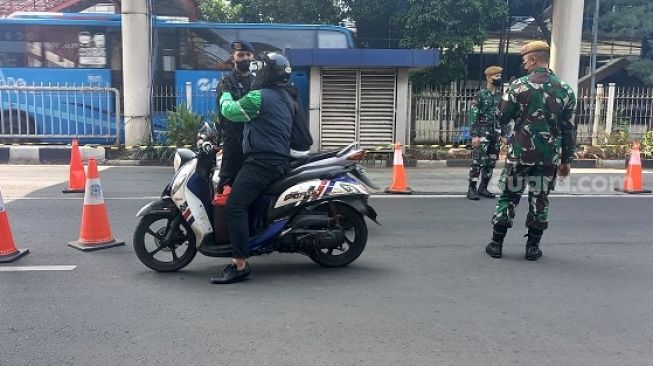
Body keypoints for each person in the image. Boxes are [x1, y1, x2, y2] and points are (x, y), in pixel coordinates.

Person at [484, 40, 577, 261]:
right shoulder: (565, 89)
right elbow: (569, 129)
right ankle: (532, 248)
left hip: (520, 155)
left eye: (525, 61)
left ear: (534, 59)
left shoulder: (518, 86)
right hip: (548, 158)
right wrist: (566, 160)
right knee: (540, 198)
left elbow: (502, 117)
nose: (524, 65)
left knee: (509, 196)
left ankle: (496, 244)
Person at [210, 52, 295, 284]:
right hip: (276, 160)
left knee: (235, 205)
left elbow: (230, 111)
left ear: (267, 72)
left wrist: (225, 93)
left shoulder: (258, 97)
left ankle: (239, 264)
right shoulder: (285, 97)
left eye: (260, 69)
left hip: (262, 162)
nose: (256, 72)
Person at [215, 40, 255, 192]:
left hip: (253, 143)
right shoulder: (226, 82)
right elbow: (227, 113)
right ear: (233, 59)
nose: (245, 58)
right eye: (240, 55)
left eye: (248, 54)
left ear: (253, 57)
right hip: (234, 142)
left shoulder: (257, 81)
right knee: (227, 183)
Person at [467, 65, 504, 200]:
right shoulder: (480, 95)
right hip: (482, 132)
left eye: (500, 76)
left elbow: (502, 116)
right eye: (496, 76)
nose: (499, 79)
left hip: (495, 133)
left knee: (491, 162)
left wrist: (504, 134)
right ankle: (472, 189)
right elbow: (473, 115)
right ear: (489, 78)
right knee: (478, 162)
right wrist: (475, 135)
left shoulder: (500, 95)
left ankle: (483, 188)